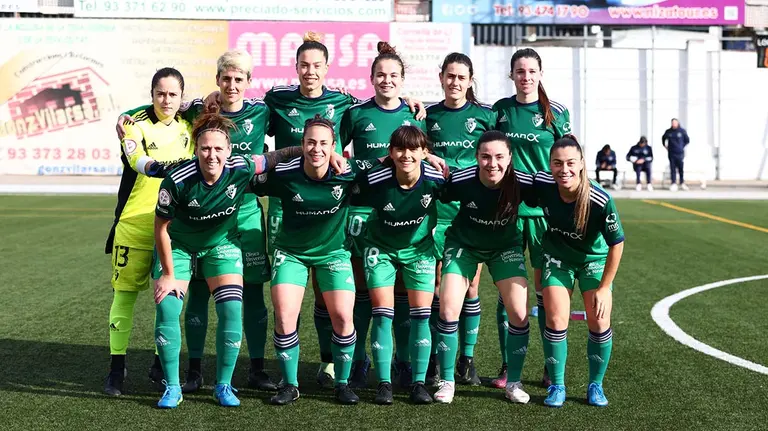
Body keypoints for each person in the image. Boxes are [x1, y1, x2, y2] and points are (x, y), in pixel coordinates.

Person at [258, 33, 426, 387]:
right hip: (303, 204)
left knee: (373, 293)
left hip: (373, 209)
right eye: (304, 65)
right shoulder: (279, 99)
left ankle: (376, 362)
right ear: (296, 67)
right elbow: (247, 109)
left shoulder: (347, 103)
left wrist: (410, 100)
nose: (310, 71)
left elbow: (390, 120)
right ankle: (323, 365)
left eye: (317, 65)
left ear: (327, 68)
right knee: (308, 294)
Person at [116, 51, 278, 393]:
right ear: (217, 80)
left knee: (251, 292)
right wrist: (124, 118)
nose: (232, 85)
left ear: (248, 82)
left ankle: (257, 369)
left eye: (238, 79)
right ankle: (193, 371)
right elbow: (159, 106)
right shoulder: (199, 109)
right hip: (202, 214)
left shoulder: (263, 110)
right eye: (226, 79)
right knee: (198, 294)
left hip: (245, 212)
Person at [151, 111, 304, 408]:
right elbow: (161, 228)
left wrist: (314, 150)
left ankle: (223, 385)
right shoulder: (177, 180)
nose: (212, 155)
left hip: (220, 245)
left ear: (229, 150)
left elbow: (276, 157)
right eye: (205, 148)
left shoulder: (241, 167)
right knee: (168, 308)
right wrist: (168, 274)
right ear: (196, 149)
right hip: (178, 246)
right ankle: (172, 387)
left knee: (232, 308)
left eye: (218, 148)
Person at [339, 41, 427, 389]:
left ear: (402, 80)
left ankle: (403, 361)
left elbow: (423, 158)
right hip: (362, 211)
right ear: (371, 78)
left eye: (393, 75)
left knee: (403, 293)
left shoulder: (416, 114)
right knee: (364, 292)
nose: (386, 80)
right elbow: (338, 158)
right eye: (380, 75)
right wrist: (367, 166)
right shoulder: (356, 113)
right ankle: (360, 359)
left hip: (404, 210)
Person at [103, 67, 194, 396]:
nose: (166, 100)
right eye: (160, 93)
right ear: (152, 94)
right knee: (124, 297)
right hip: (134, 226)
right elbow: (135, 158)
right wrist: (158, 167)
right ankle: (116, 368)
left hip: (172, 231)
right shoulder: (135, 124)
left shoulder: (190, 127)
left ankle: (160, 365)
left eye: (173, 94)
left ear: (181, 97)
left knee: (167, 302)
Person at [432, 131, 532, 405]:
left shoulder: (523, 181)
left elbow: (556, 189)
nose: (492, 163)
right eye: (486, 157)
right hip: (464, 245)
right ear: (476, 157)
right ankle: (447, 380)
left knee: (519, 313)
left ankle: (514, 382)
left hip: (504, 247)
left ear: (510, 158)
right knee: (448, 308)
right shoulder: (462, 179)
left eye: (499, 157)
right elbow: (429, 187)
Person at [525, 135, 624, 408]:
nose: (564, 169)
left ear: (581, 163)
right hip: (558, 258)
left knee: (599, 321)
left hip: (593, 260)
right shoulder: (543, 184)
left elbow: (617, 243)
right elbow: (513, 182)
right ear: (550, 165)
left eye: (570, 163)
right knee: (556, 319)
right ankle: (557, 385)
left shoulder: (600, 199)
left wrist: (604, 288)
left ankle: (596, 385)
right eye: (557, 163)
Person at [492, 47, 571, 389]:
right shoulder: (500, 110)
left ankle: (549, 367)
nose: (526, 77)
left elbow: (569, 159)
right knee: (507, 293)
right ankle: (508, 366)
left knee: (545, 293)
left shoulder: (557, 113)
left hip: (544, 214)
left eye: (531, 71)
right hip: (507, 212)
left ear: (540, 74)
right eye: (520, 71)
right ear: (511, 74)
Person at [351, 125, 444, 405]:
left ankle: (418, 383)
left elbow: (461, 192)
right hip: (380, 249)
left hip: (419, 250)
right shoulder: (375, 179)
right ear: (390, 152)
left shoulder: (436, 179)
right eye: (400, 149)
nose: (406, 155)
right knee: (382, 314)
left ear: (424, 152)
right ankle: (384, 384)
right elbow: (347, 185)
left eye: (414, 149)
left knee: (421, 315)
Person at [425, 52, 497, 386]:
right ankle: (435, 359)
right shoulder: (427, 115)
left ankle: (466, 359)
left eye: (461, 77)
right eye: (450, 76)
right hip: (436, 210)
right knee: (438, 287)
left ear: (470, 81)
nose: (455, 82)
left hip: (471, 211)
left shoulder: (485, 116)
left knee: (471, 285)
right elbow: (416, 147)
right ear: (441, 77)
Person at [662, 118, 690, 191]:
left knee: (680, 168)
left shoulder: (682, 131)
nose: (674, 124)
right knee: (672, 168)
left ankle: (682, 182)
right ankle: (673, 183)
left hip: (680, 153)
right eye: (672, 123)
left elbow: (687, 140)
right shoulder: (668, 131)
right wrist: (666, 146)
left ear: (677, 123)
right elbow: (663, 139)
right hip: (671, 153)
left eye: (675, 123)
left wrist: (681, 146)